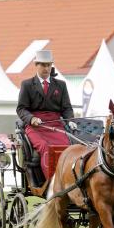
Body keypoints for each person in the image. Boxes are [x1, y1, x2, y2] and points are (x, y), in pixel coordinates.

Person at [16, 50, 77, 179]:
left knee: (66, 148)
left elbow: (66, 108)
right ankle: (52, 181)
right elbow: (21, 109)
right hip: (35, 126)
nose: (46, 68)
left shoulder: (61, 85)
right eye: (43, 65)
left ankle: (67, 180)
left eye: (48, 65)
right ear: (36, 65)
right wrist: (31, 118)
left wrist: (70, 120)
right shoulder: (26, 85)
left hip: (56, 125)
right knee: (45, 147)